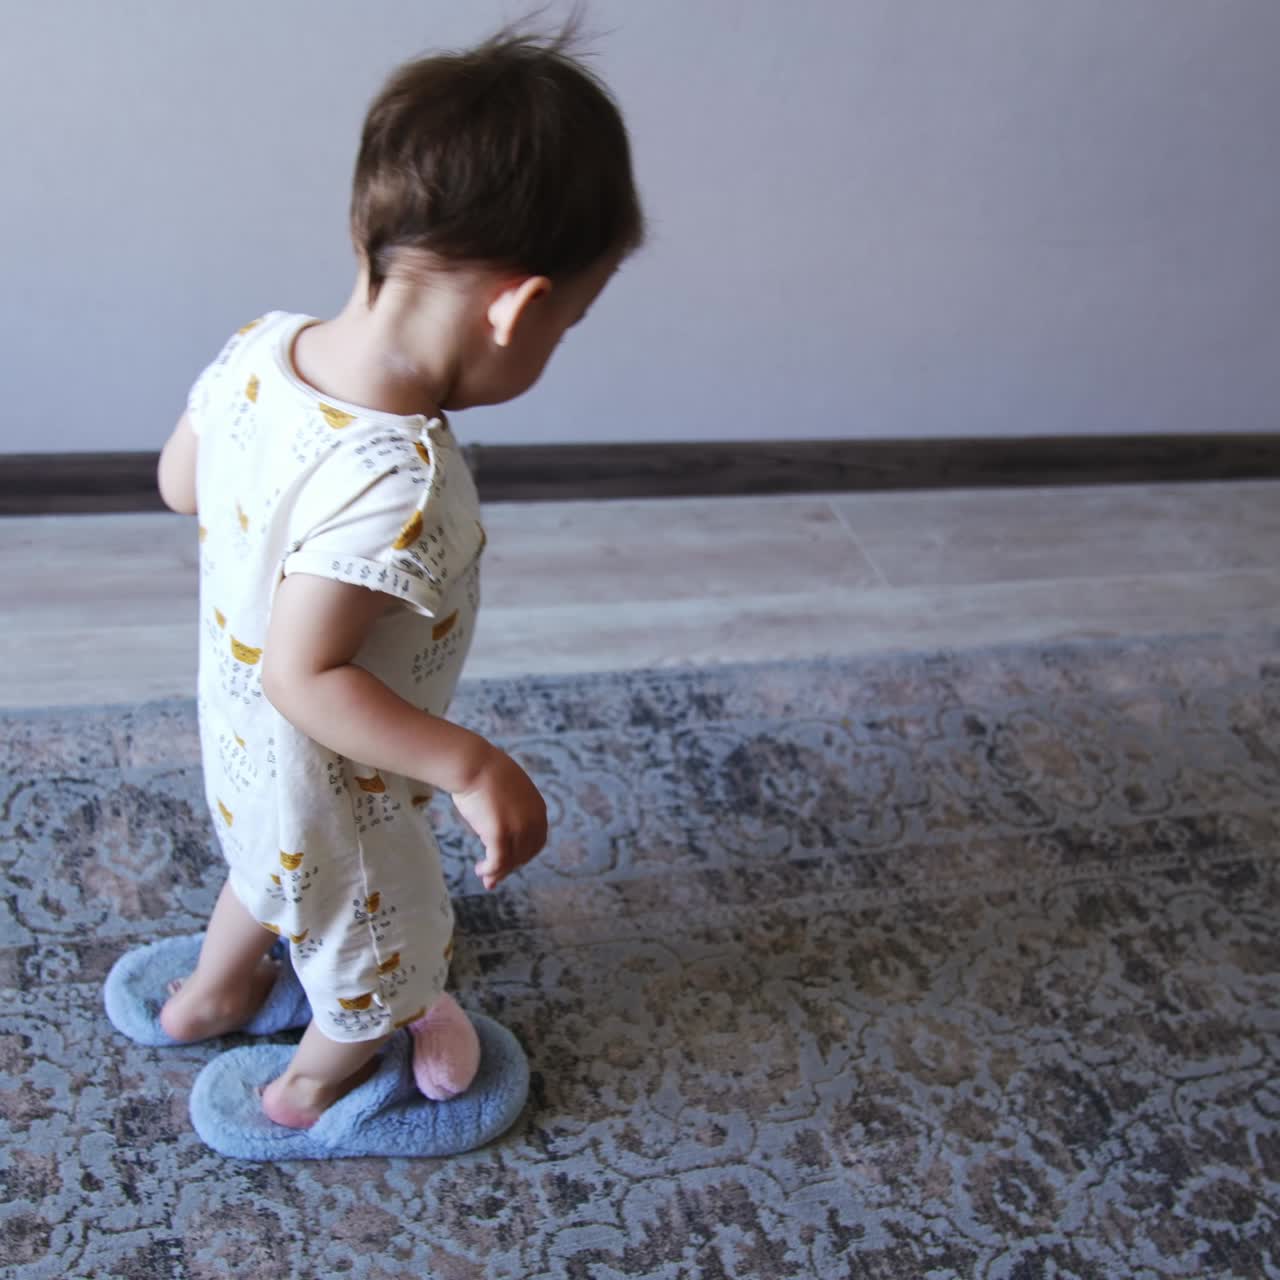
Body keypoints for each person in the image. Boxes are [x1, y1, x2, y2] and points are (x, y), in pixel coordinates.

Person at [146, 22, 645, 1133]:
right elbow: (306, 673)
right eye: (564, 326)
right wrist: (469, 763)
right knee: (384, 938)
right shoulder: (399, 479)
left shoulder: (259, 349)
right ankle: (310, 1083)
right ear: (516, 308)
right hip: (341, 781)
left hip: (233, 740)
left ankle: (210, 993)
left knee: (266, 863)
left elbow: (180, 482)